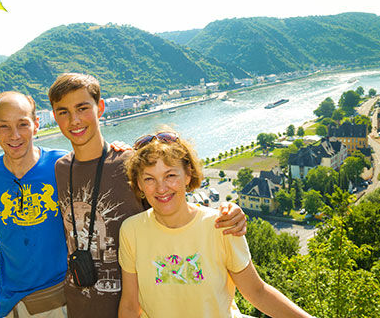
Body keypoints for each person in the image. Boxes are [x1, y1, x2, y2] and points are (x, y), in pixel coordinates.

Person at [48, 73, 247, 318]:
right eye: (63, 112)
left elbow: (175, 205)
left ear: (100, 108)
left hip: (136, 306)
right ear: (54, 116)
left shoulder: (128, 161)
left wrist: (229, 212)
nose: (74, 120)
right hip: (81, 303)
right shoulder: (60, 168)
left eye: (82, 108)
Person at [118, 130, 314, 318]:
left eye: (170, 175)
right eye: (150, 179)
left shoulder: (221, 225)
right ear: (140, 185)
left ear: (187, 175)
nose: (161, 188)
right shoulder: (131, 231)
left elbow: (257, 291)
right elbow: (129, 306)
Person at [0, 91, 68, 318]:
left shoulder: (62, 164)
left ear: (36, 125)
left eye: (23, 124)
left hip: (59, 293)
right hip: (11, 300)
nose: (15, 135)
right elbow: (2, 230)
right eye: (4, 126)